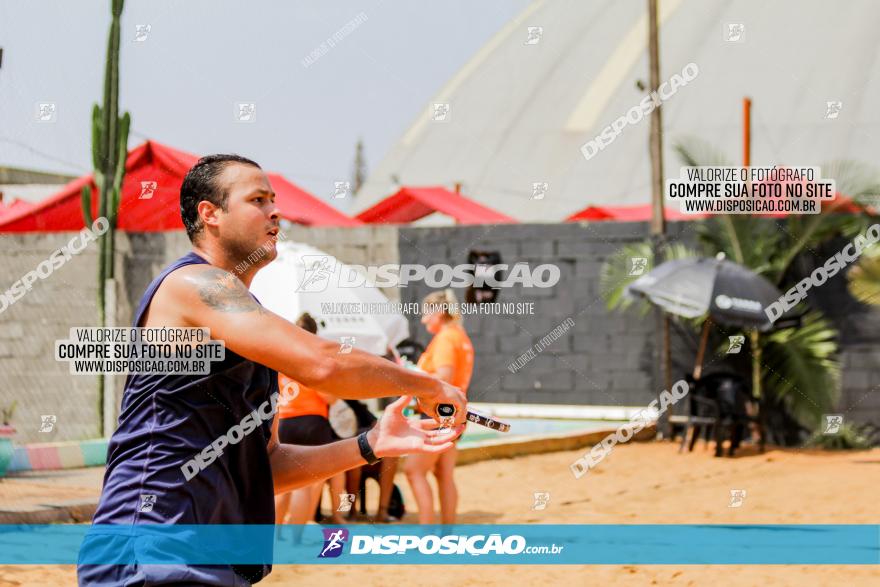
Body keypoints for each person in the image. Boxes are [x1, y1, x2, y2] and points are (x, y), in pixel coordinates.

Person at [77, 154, 466, 586]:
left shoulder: (249, 323)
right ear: (210, 214)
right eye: (258, 200)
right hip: (152, 547)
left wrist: (370, 443)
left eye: (273, 200)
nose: (275, 211)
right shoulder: (193, 285)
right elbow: (322, 362)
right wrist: (426, 384)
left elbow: (270, 466)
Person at [404, 290, 474, 525]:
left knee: (414, 471)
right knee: (444, 474)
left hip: (440, 413)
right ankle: (447, 532)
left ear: (440, 312)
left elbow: (444, 376)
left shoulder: (445, 338)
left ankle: (427, 533)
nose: (423, 320)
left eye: (427, 314)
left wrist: (414, 375)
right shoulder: (459, 336)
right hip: (453, 413)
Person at [274, 313, 346, 534]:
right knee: (306, 484)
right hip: (312, 422)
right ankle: (296, 538)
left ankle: (275, 536)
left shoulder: (282, 357)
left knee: (282, 483)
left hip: (284, 421)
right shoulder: (318, 358)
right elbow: (330, 398)